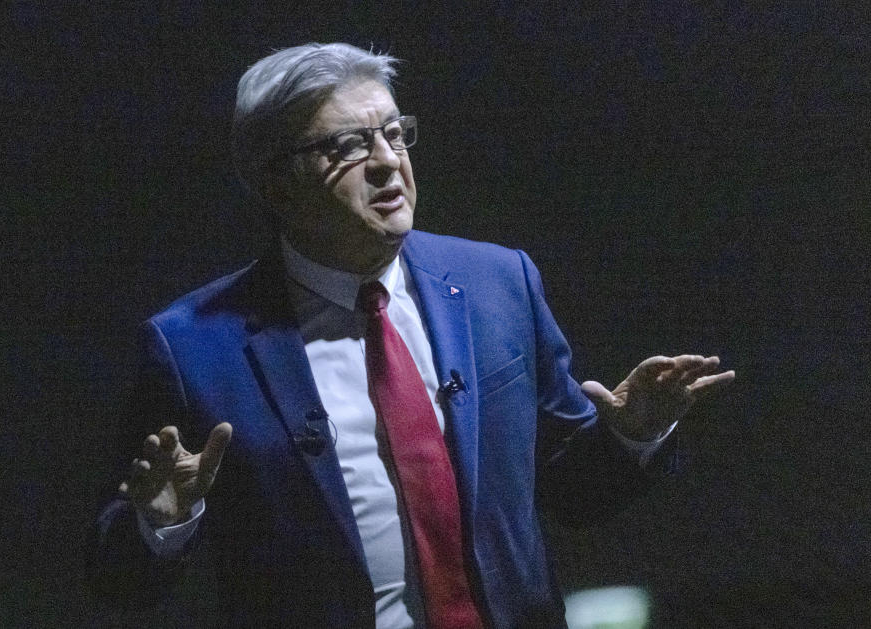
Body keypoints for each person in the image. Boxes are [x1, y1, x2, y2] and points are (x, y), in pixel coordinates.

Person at [94, 42, 734, 628]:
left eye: (394, 134)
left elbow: (576, 494)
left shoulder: (498, 283)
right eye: (345, 146)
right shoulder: (192, 348)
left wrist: (632, 433)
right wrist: (162, 522)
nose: (386, 162)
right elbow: (119, 584)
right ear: (273, 181)